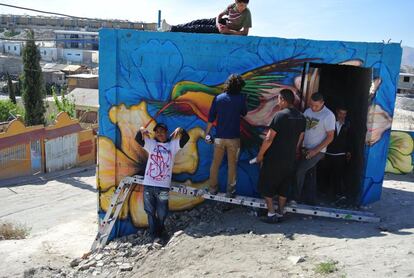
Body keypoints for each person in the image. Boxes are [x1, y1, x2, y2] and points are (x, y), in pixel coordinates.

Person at [256, 89, 306, 223]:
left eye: (278, 98)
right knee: (284, 185)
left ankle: (271, 214)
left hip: (274, 157)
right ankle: (280, 212)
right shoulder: (301, 117)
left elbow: (268, 139)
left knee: (267, 185)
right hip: (290, 158)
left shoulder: (280, 116)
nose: (278, 101)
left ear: (283, 100)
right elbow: (300, 138)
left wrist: (260, 155)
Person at [135, 123, 189, 242]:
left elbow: (186, 138)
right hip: (149, 185)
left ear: (166, 133)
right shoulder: (152, 144)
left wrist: (180, 129)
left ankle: (161, 231)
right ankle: (155, 235)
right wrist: (141, 130)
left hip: (163, 187)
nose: (159, 133)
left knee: (162, 212)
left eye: (162, 131)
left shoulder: (172, 146)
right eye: (157, 131)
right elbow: (138, 138)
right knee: (150, 211)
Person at [205, 74, 248, 197]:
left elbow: (211, 117)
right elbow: (244, 113)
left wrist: (206, 133)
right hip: (234, 138)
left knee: (215, 164)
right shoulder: (241, 98)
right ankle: (230, 192)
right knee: (232, 166)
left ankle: (213, 189)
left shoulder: (218, 98)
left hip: (219, 138)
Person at [294, 92, 335, 204]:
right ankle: (310, 200)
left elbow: (330, 137)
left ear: (322, 103)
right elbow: (302, 131)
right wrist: (298, 146)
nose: (313, 107)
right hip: (305, 148)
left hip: (318, 151)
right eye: (311, 104)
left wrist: (315, 151)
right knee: (310, 174)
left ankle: (295, 198)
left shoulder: (328, 115)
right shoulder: (307, 111)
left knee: (299, 170)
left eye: (316, 105)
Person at [160, 0, 252, 35]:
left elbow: (245, 32)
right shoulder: (231, 6)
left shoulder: (247, 13)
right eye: (240, 5)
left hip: (228, 29)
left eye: (244, 5)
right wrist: (218, 24)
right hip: (223, 23)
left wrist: (228, 31)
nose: (242, 8)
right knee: (197, 22)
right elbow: (219, 15)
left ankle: (171, 29)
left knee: (199, 28)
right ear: (236, 2)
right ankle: (172, 26)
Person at [322, 107, 352, 200]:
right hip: (328, 153)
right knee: (325, 173)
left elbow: (350, 139)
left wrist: (349, 151)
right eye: (340, 113)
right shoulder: (330, 123)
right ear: (337, 113)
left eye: (344, 114)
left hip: (340, 154)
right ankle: (324, 192)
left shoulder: (348, 125)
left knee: (338, 175)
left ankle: (338, 194)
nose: (342, 116)